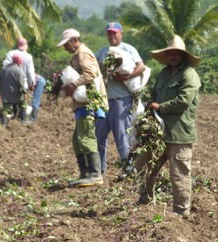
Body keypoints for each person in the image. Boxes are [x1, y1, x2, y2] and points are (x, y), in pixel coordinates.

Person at [135, 35, 200, 216]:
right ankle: (145, 201)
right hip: (158, 132)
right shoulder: (164, 74)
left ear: (183, 56)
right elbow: (155, 96)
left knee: (179, 173)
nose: (172, 56)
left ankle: (180, 211)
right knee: (144, 163)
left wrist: (160, 106)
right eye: (170, 53)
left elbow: (183, 100)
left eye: (176, 53)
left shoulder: (189, 74)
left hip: (179, 133)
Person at [95, 22, 146, 178]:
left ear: (121, 34)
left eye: (115, 33)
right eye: (109, 33)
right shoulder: (102, 52)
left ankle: (128, 170)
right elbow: (93, 67)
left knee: (121, 135)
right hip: (104, 100)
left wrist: (126, 77)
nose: (112, 36)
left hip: (122, 99)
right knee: (99, 135)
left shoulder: (128, 49)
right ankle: (100, 170)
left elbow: (141, 67)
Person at [58, 28, 107, 187]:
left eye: (66, 44)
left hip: (88, 103)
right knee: (77, 140)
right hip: (81, 103)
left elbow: (91, 73)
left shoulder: (83, 53)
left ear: (74, 40)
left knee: (86, 137)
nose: (65, 48)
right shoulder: (77, 55)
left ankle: (95, 174)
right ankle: (85, 173)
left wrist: (73, 84)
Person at [2, 37, 45, 123]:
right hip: (22, 85)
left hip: (9, 85)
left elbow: (4, 67)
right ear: (26, 46)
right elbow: (30, 72)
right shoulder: (28, 56)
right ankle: (30, 116)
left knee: (6, 106)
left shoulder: (10, 53)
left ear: (18, 45)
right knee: (41, 81)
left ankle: (7, 118)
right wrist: (31, 84)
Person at [0, 53, 27, 126]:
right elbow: (21, 84)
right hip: (16, 93)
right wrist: (24, 92)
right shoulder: (19, 71)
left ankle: (3, 124)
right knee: (23, 105)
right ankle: (23, 120)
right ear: (20, 62)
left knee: (5, 108)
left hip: (5, 93)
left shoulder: (4, 69)